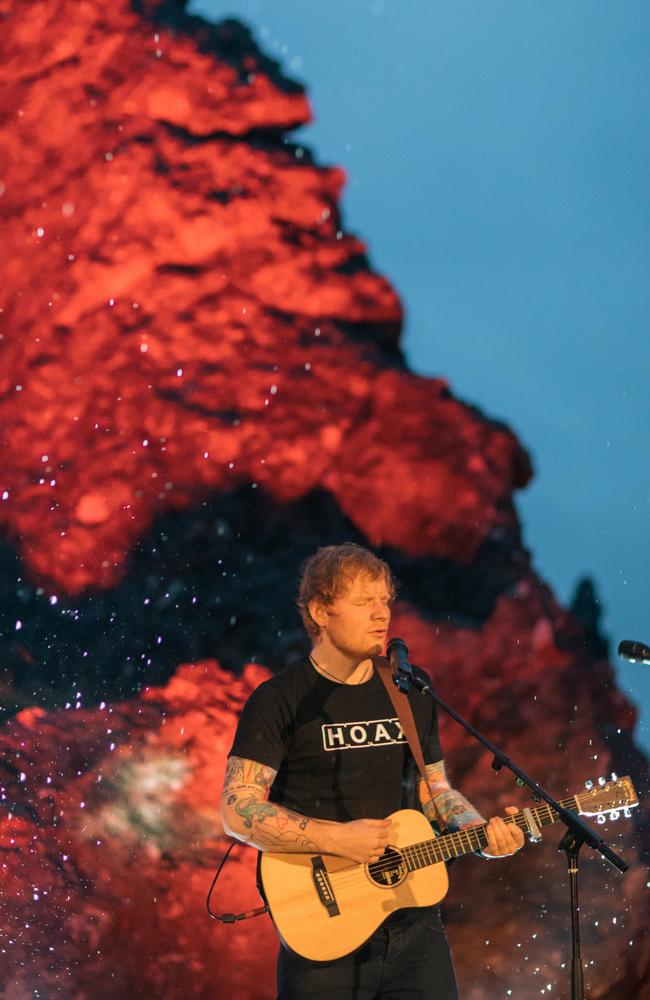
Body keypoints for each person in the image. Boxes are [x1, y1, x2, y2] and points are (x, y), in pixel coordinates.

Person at [221, 543, 524, 999]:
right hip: (323, 932)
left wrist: (480, 832)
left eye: (384, 600)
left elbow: (435, 789)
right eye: (364, 602)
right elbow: (237, 808)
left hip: (413, 926)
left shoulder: (408, 689)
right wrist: (334, 838)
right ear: (321, 611)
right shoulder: (279, 699)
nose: (381, 614)